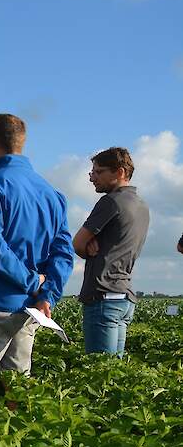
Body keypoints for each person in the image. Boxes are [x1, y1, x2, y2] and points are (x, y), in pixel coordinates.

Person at [0, 113, 73, 396]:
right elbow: (64, 251)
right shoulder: (52, 193)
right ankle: (15, 440)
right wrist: (48, 293)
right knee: (17, 388)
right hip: (30, 308)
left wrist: (34, 283)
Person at [73, 147, 149, 356]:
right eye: (92, 173)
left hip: (102, 297)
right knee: (115, 376)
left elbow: (77, 243)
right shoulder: (141, 205)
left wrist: (87, 246)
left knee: (99, 374)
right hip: (123, 297)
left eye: (98, 172)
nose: (92, 179)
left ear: (120, 172)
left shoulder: (111, 201)